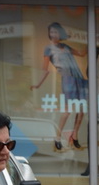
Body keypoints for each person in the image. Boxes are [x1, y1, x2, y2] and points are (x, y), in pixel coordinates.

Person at [33, 21, 88, 154]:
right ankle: (57, 139)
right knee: (67, 111)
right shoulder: (48, 49)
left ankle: (74, 137)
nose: (53, 34)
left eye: (56, 31)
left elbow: (81, 53)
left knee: (81, 110)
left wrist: (89, 39)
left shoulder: (65, 46)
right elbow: (45, 70)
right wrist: (38, 84)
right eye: (51, 32)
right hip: (68, 79)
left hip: (79, 78)